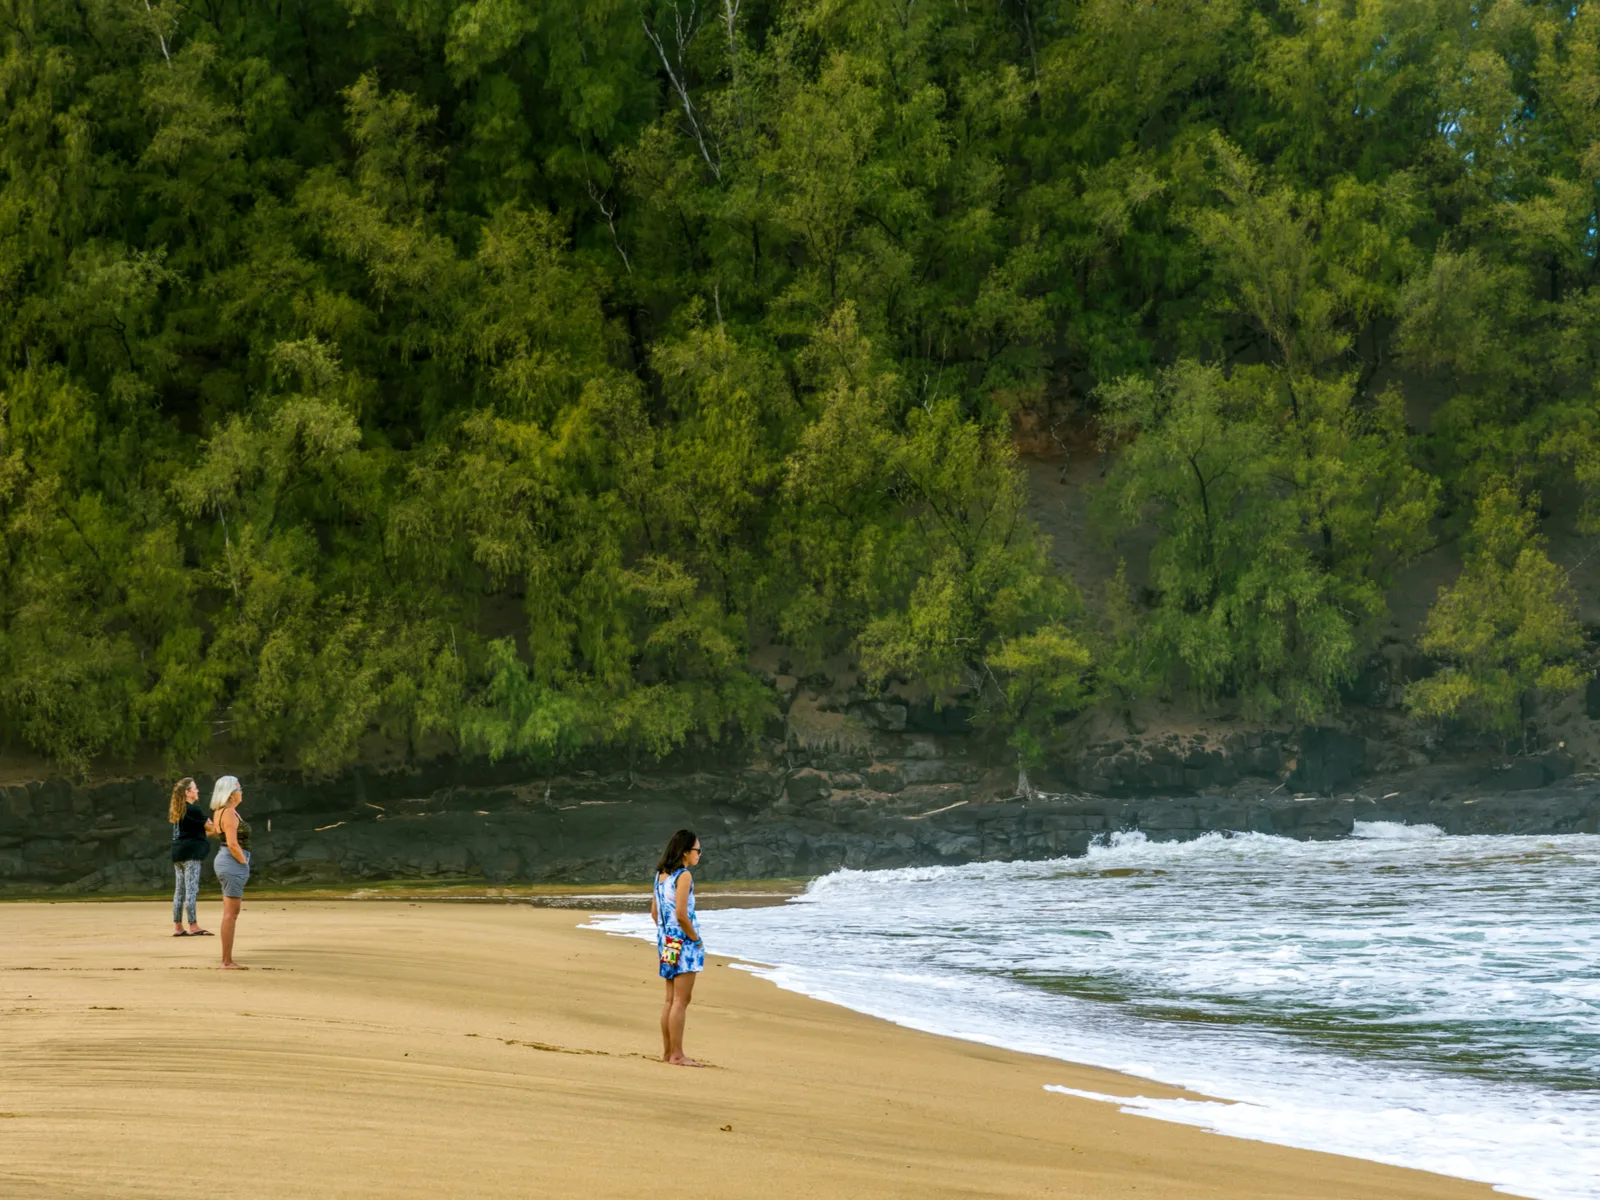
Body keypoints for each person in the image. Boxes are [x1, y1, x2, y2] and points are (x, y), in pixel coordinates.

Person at [651, 829, 704, 1066]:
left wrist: (668, 934)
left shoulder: (660, 875)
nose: (699, 854)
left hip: (666, 939)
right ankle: (677, 1054)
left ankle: (667, 1052)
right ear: (685, 852)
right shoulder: (684, 876)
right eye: (697, 850)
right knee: (681, 1001)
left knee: (670, 999)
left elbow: (655, 913)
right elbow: (682, 914)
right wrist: (696, 939)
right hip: (683, 941)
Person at [210, 776, 251, 969]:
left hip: (226, 859)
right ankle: (227, 960)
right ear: (231, 793)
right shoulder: (228, 812)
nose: (242, 792)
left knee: (231, 913)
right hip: (231, 860)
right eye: (239, 789)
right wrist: (244, 863)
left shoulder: (221, 811)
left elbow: (214, 832)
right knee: (230, 914)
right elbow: (233, 843)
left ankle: (227, 959)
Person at [168, 777, 213, 937]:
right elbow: (211, 827)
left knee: (179, 891)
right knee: (191, 889)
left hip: (177, 853)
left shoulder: (178, 811)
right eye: (195, 788)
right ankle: (193, 925)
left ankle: (178, 926)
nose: (197, 790)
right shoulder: (193, 809)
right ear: (188, 792)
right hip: (191, 854)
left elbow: (192, 831)